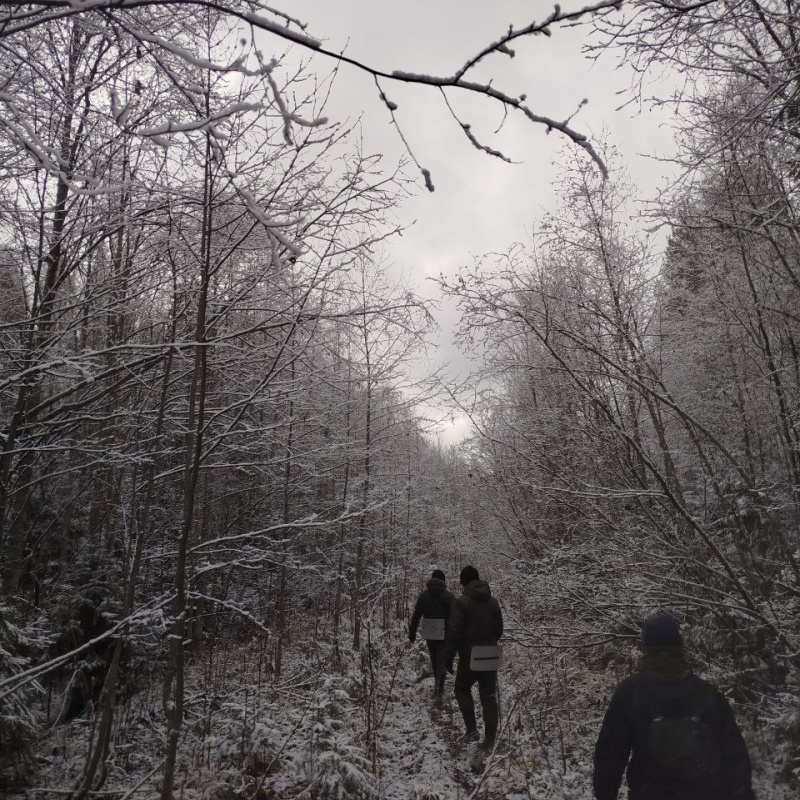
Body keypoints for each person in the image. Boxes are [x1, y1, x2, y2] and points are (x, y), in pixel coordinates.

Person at [593, 613, 756, 800]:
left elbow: (610, 756)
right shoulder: (708, 694)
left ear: (646, 647)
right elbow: (734, 755)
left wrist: (605, 794)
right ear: (679, 646)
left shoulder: (631, 692)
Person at [443, 565, 504, 750]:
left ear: (464, 582)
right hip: (491, 655)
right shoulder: (493, 602)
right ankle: (490, 740)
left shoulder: (461, 602)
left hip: (469, 657)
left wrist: (449, 656)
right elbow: (499, 629)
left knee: (461, 689)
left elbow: (454, 633)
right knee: (489, 696)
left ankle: (471, 731)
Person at [408, 569, 454, 699]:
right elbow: (455, 616)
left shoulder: (423, 595)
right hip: (443, 632)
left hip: (429, 631)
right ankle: (440, 685)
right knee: (442, 659)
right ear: (443, 581)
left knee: (434, 658)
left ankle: (436, 682)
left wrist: (412, 632)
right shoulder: (448, 596)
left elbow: (416, 615)